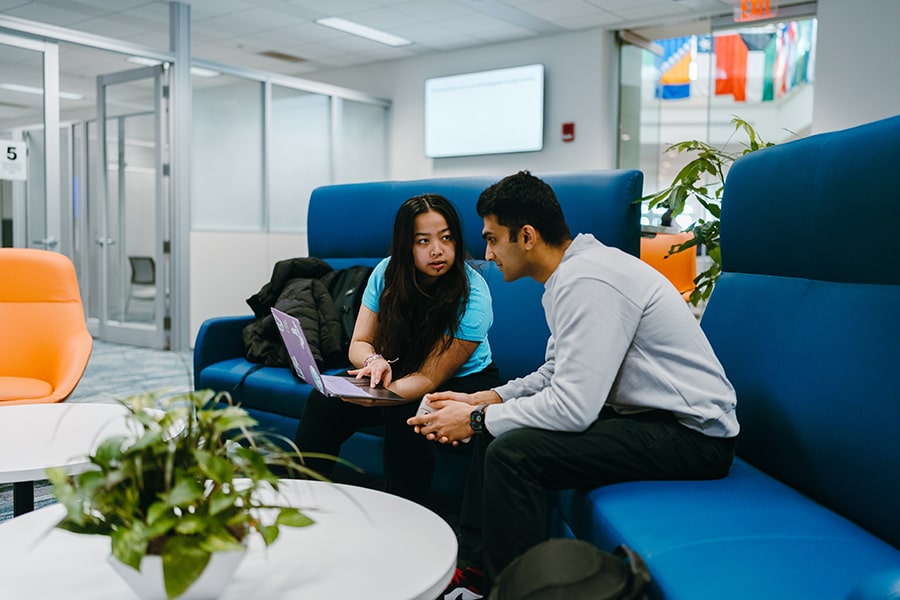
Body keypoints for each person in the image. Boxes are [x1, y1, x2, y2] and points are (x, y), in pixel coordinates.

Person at [408, 171, 740, 599]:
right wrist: (487, 398)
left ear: (526, 236)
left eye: (492, 239)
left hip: (694, 436)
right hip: (649, 418)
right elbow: (554, 372)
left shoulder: (589, 280)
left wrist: (474, 419)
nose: (487, 254)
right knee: (498, 433)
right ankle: (478, 575)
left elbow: (573, 407)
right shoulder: (573, 274)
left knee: (511, 451)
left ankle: (516, 592)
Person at [294, 193, 500, 504]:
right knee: (324, 401)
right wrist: (375, 361)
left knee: (406, 414)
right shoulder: (387, 273)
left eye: (446, 238)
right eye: (422, 241)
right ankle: (303, 498)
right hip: (401, 367)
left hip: (461, 380)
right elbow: (359, 344)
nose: (437, 250)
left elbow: (429, 379)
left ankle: (404, 513)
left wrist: (373, 400)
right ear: (406, 245)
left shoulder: (473, 294)